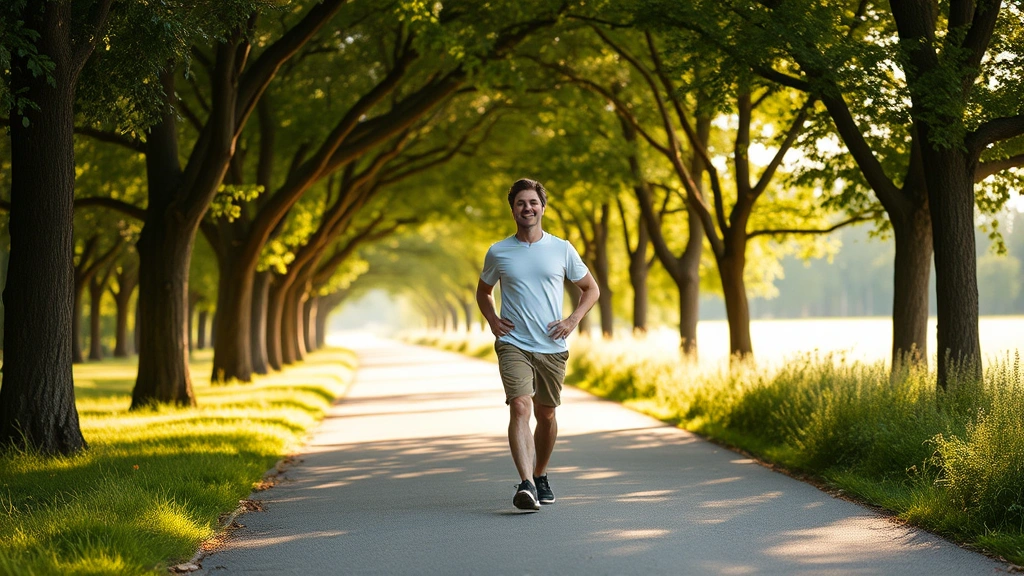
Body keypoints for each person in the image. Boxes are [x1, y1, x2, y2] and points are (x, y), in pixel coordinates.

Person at [476, 178, 600, 511]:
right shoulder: (498, 251)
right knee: (520, 407)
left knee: (546, 415)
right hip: (513, 342)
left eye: (532, 202)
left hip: (551, 346)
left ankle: (540, 474)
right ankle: (526, 484)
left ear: (542, 207)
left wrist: (572, 320)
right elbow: (483, 292)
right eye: (520, 203)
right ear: (512, 209)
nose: (527, 208)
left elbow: (591, 289)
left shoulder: (562, 249)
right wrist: (492, 320)